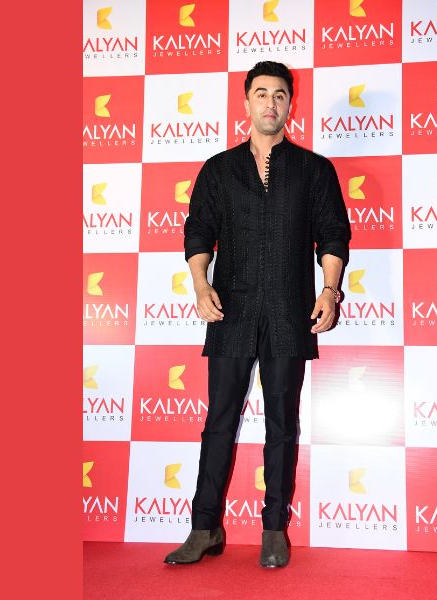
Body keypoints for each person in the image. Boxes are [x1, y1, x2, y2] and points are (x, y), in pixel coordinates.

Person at [164, 61, 351, 568]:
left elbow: (333, 234)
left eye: (280, 95)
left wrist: (329, 290)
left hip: (291, 312)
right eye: (262, 93)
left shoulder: (315, 170)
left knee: (282, 424)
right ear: (246, 101)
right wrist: (200, 283)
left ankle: (274, 530)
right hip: (230, 310)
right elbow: (198, 231)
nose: (271, 103)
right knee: (218, 422)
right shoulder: (218, 169)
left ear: (291, 104)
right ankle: (204, 528)